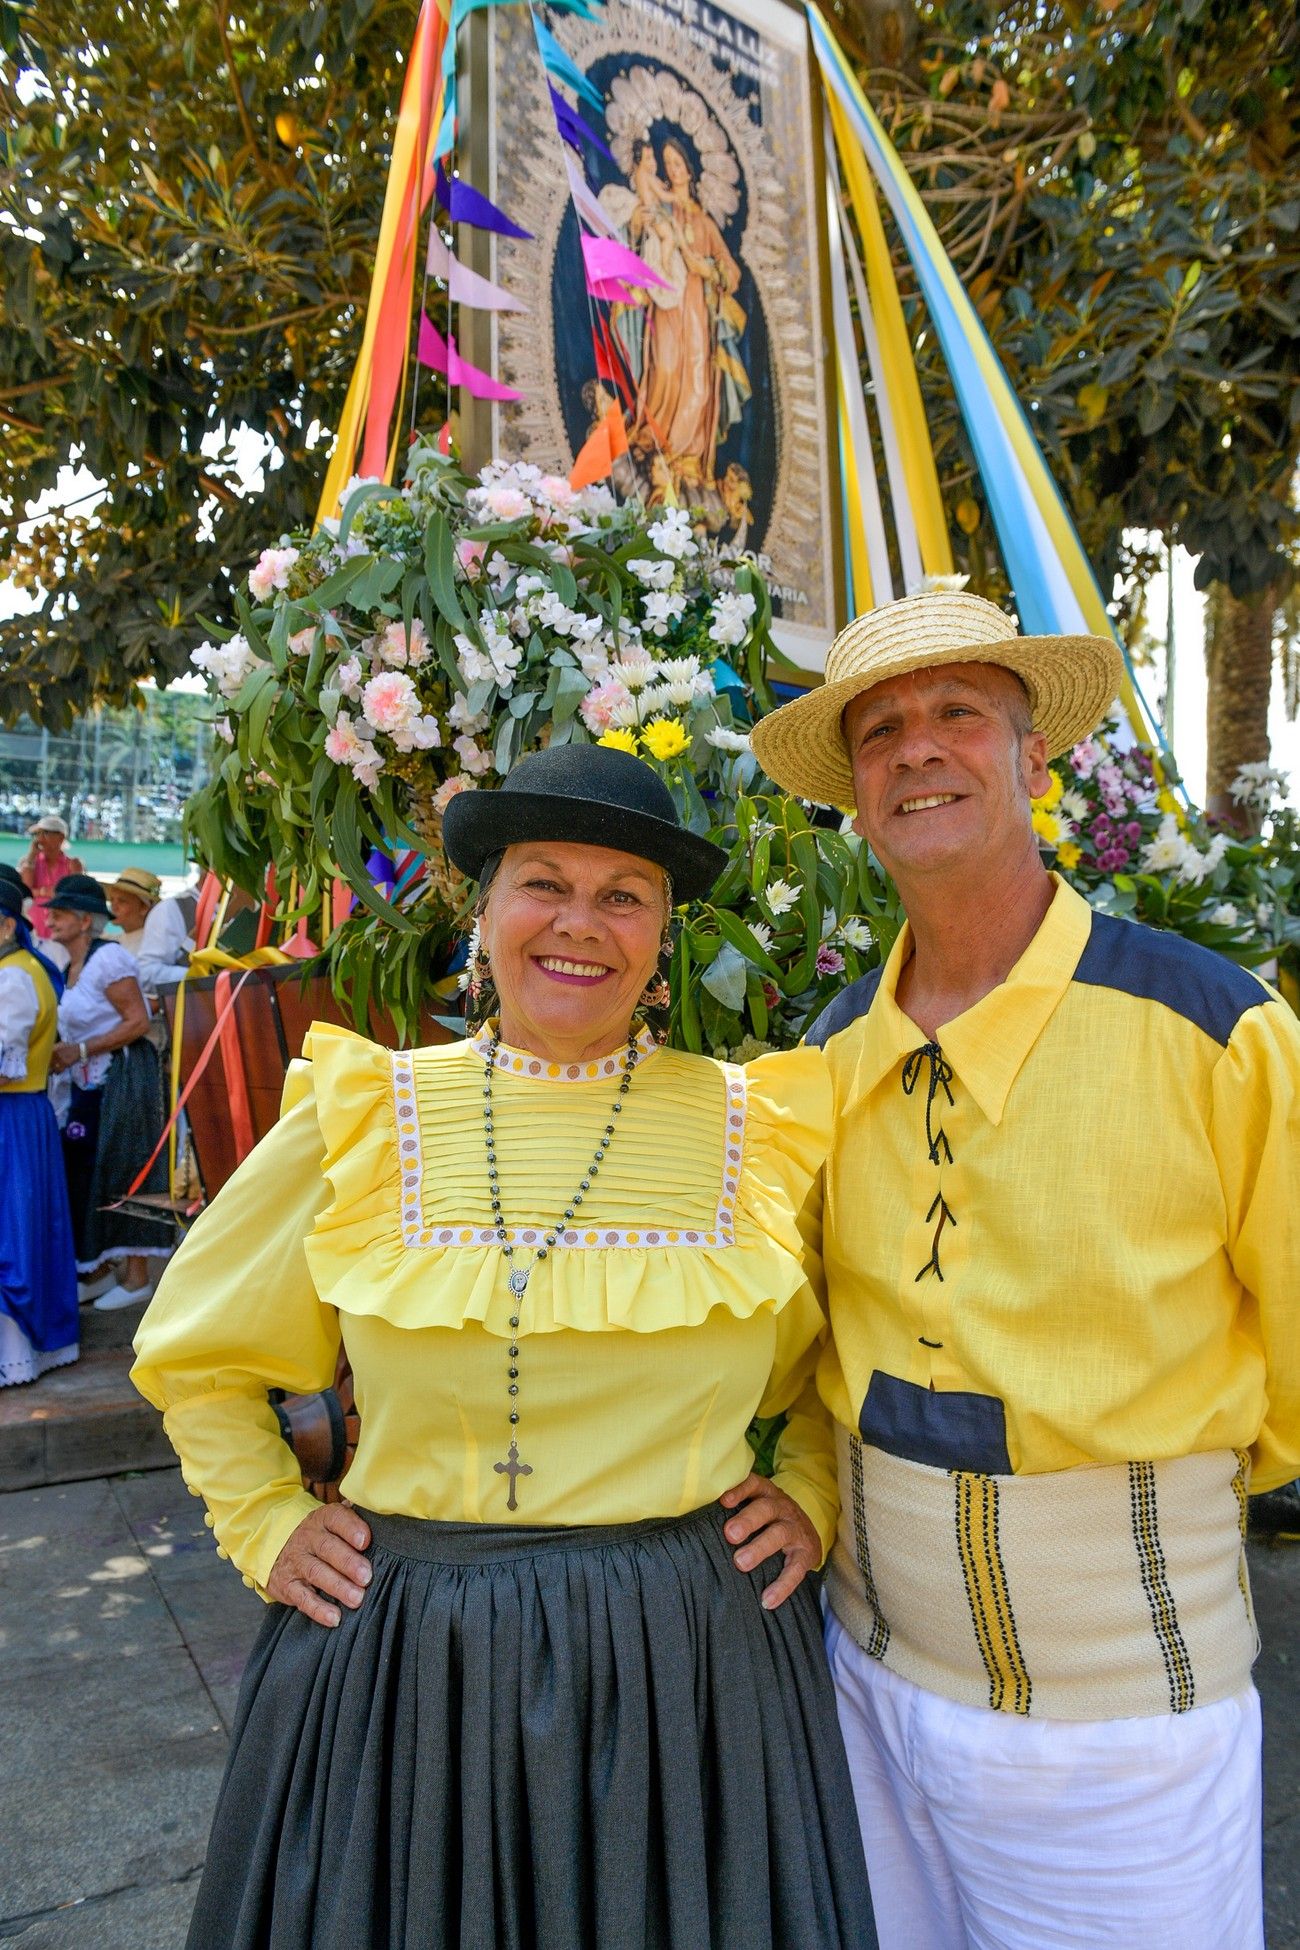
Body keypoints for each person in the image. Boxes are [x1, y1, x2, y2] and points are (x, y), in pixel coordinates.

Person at [131, 744, 877, 1950]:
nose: (580, 924)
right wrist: (264, 1523)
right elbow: (199, 1357)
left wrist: (809, 1493)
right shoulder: (367, 1114)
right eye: (543, 882)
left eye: (623, 894)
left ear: (662, 934)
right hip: (415, 1652)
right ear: (480, 911)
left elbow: (834, 1371)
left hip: (688, 1651)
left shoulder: (759, 1129)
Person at [751, 589, 1300, 1950]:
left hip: (1124, 1730)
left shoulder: (1213, 1029)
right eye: (881, 731)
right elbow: (807, 1352)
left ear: (1031, 759)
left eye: (957, 716)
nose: (916, 751)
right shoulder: (824, 1060)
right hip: (869, 1692)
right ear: (856, 796)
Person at [44, 874, 173, 1313]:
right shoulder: (70, 969)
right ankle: (100, 1267)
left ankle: (137, 1277)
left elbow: (137, 1021)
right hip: (86, 1082)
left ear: (84, 921)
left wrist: (79, 1049)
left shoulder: (109, 959)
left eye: (59, 914)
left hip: (122, 1077)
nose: (51, 921)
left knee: (125, 1168)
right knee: (90, 1170)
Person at [0, 869, 79, 1387]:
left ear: (6, 926)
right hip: (19, 1115)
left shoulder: (14, 977)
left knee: (13, 1232)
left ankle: (15, 1351)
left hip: (13, 1118)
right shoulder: (22, 968)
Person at [19, 814, 84, 940]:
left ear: (61, 837)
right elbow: (25, 891)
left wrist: (37, 892)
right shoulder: (29, 862)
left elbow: (75, 896)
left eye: (45, 833)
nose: (39, 839)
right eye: (37, 834)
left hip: (62, 931)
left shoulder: (73, 864)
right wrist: (31, 856)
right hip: (33, 928)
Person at [106, 866, 163, 955]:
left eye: (122, 901)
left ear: (144, 907)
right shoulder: (112, 940)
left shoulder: (151, 948)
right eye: (112, 900)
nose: (114, 907)